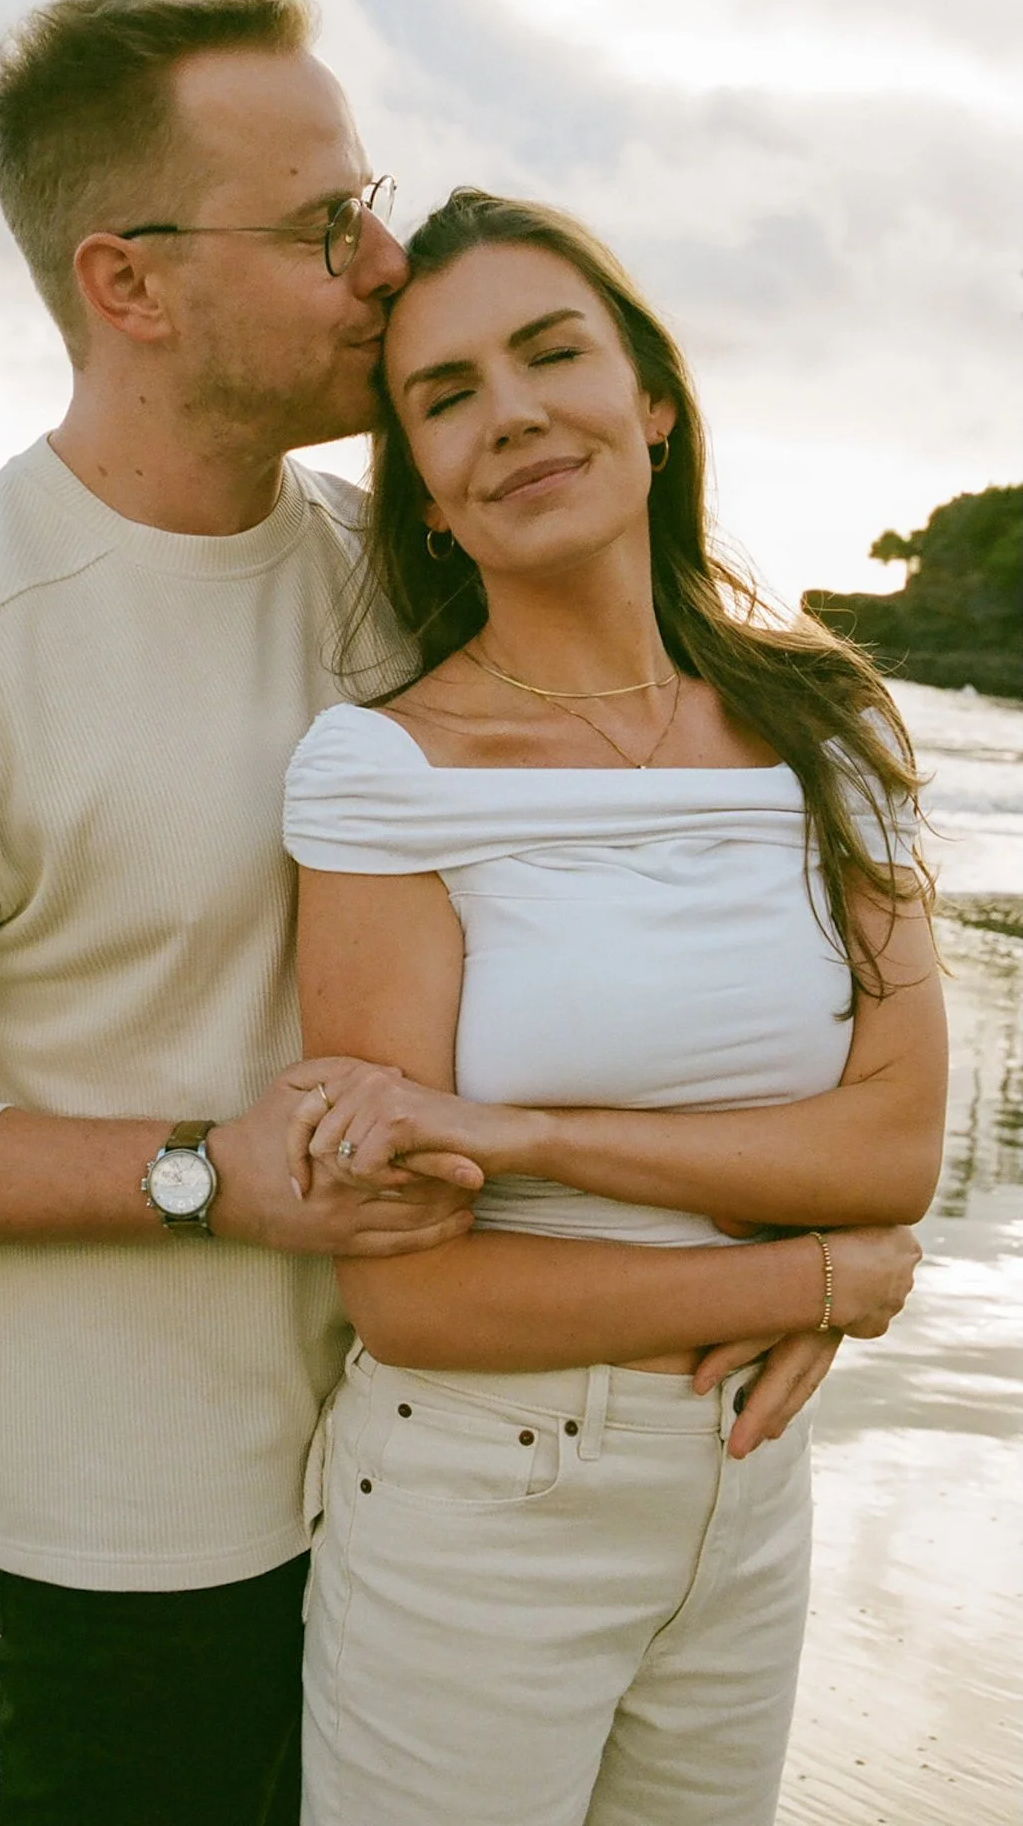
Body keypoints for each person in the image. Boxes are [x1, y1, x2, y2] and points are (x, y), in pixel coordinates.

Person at [0, 0, 492, 1826]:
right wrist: (203, 1175)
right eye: (328, 221)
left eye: (373, 194)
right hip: (147, 1555)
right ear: (128, 283)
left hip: (467, 1468)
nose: (388, 258)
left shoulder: (397, 566)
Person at [283, 189, 947, 1825]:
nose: (510, 413)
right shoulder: (384, 775)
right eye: (446, 396)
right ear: (428, 499)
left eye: (550, 352)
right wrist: (819, 1272)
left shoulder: (829, 725)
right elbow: (414, 1302)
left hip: (747, 1494)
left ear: (650, 397)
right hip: (480, 1505)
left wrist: (524, 1136)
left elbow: (893, 1152)